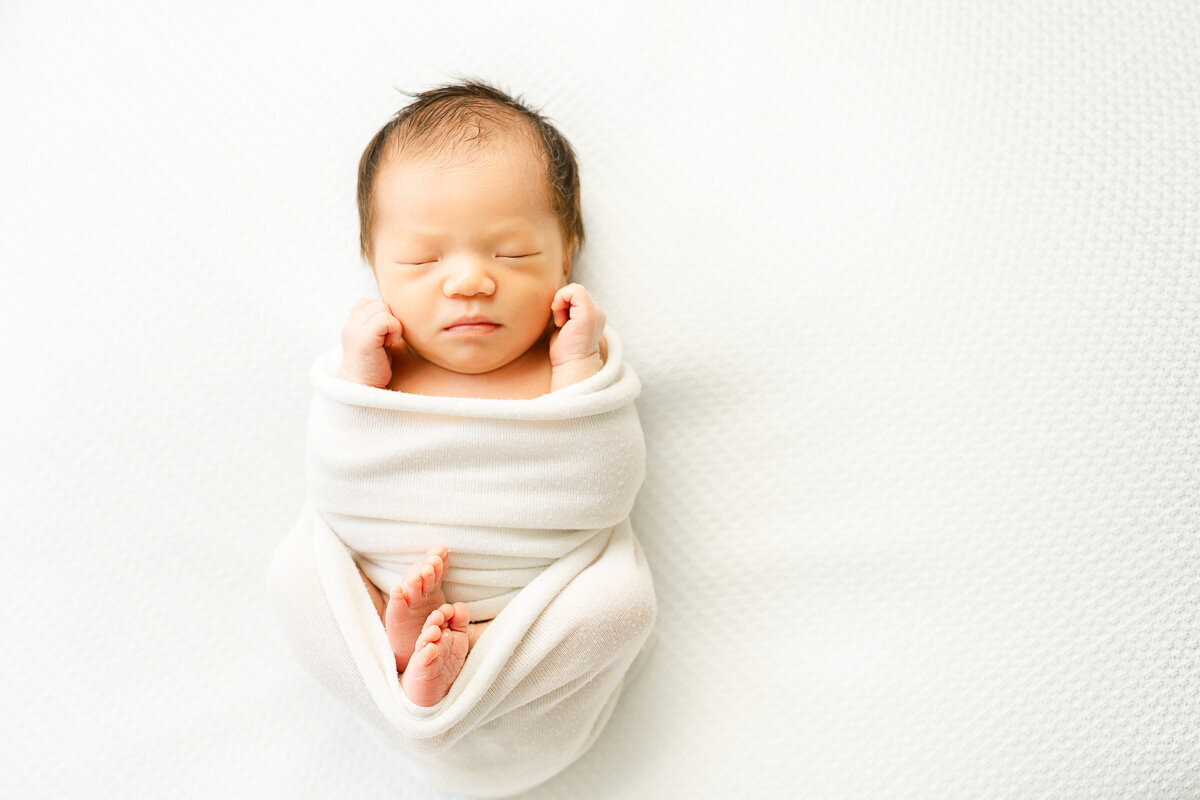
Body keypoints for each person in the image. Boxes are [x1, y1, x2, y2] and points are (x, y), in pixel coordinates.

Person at [334, 78, 608, 707]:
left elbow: (600, 476)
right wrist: (359, 383)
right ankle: (390, 639)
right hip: (391, 573)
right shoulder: (381, 361)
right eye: (423, 260)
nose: (469, 281)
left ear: (565, 257)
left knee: (619, 606)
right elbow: (340, 473)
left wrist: (578, 366)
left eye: (512, 253)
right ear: (375, 265)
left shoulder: (567, 357)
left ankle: (477, 651)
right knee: (297, 579)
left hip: (532, 597)